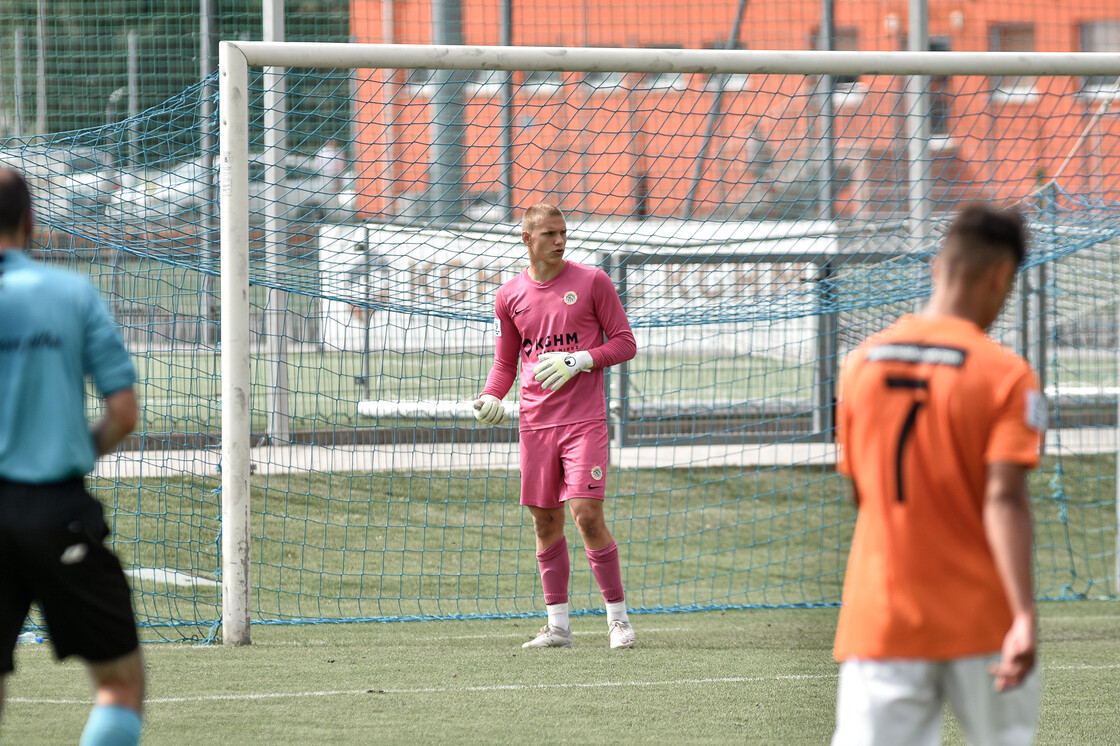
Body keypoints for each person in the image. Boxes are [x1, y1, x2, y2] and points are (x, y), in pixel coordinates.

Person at [831, 203, 1044, 745]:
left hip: (882, 616)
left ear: (936, 267)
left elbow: (863, 491)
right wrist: (1023, 614)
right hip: (980, 618)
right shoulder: (1008, 376)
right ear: (1002, 276)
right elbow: (1004, 500)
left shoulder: (860, 365)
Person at [0, 169, 144, 745]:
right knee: (118, 685)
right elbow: (124, 413)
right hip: (57, 511)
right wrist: (64, 449)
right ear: (30, 223)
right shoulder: (71, 292)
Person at [474, 203, 638, 649]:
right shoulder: (509, 295)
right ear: (527, 239)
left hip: (584, 421)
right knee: (545, 524)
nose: (560, 240)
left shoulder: (592, 282)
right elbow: (506, 361)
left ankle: (618, 620)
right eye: (549, 234)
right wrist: (492, 395)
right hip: (535, 423)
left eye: (563, 232)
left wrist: (581, 358)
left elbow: (625, 343)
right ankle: (559, 627)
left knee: (586, 516)